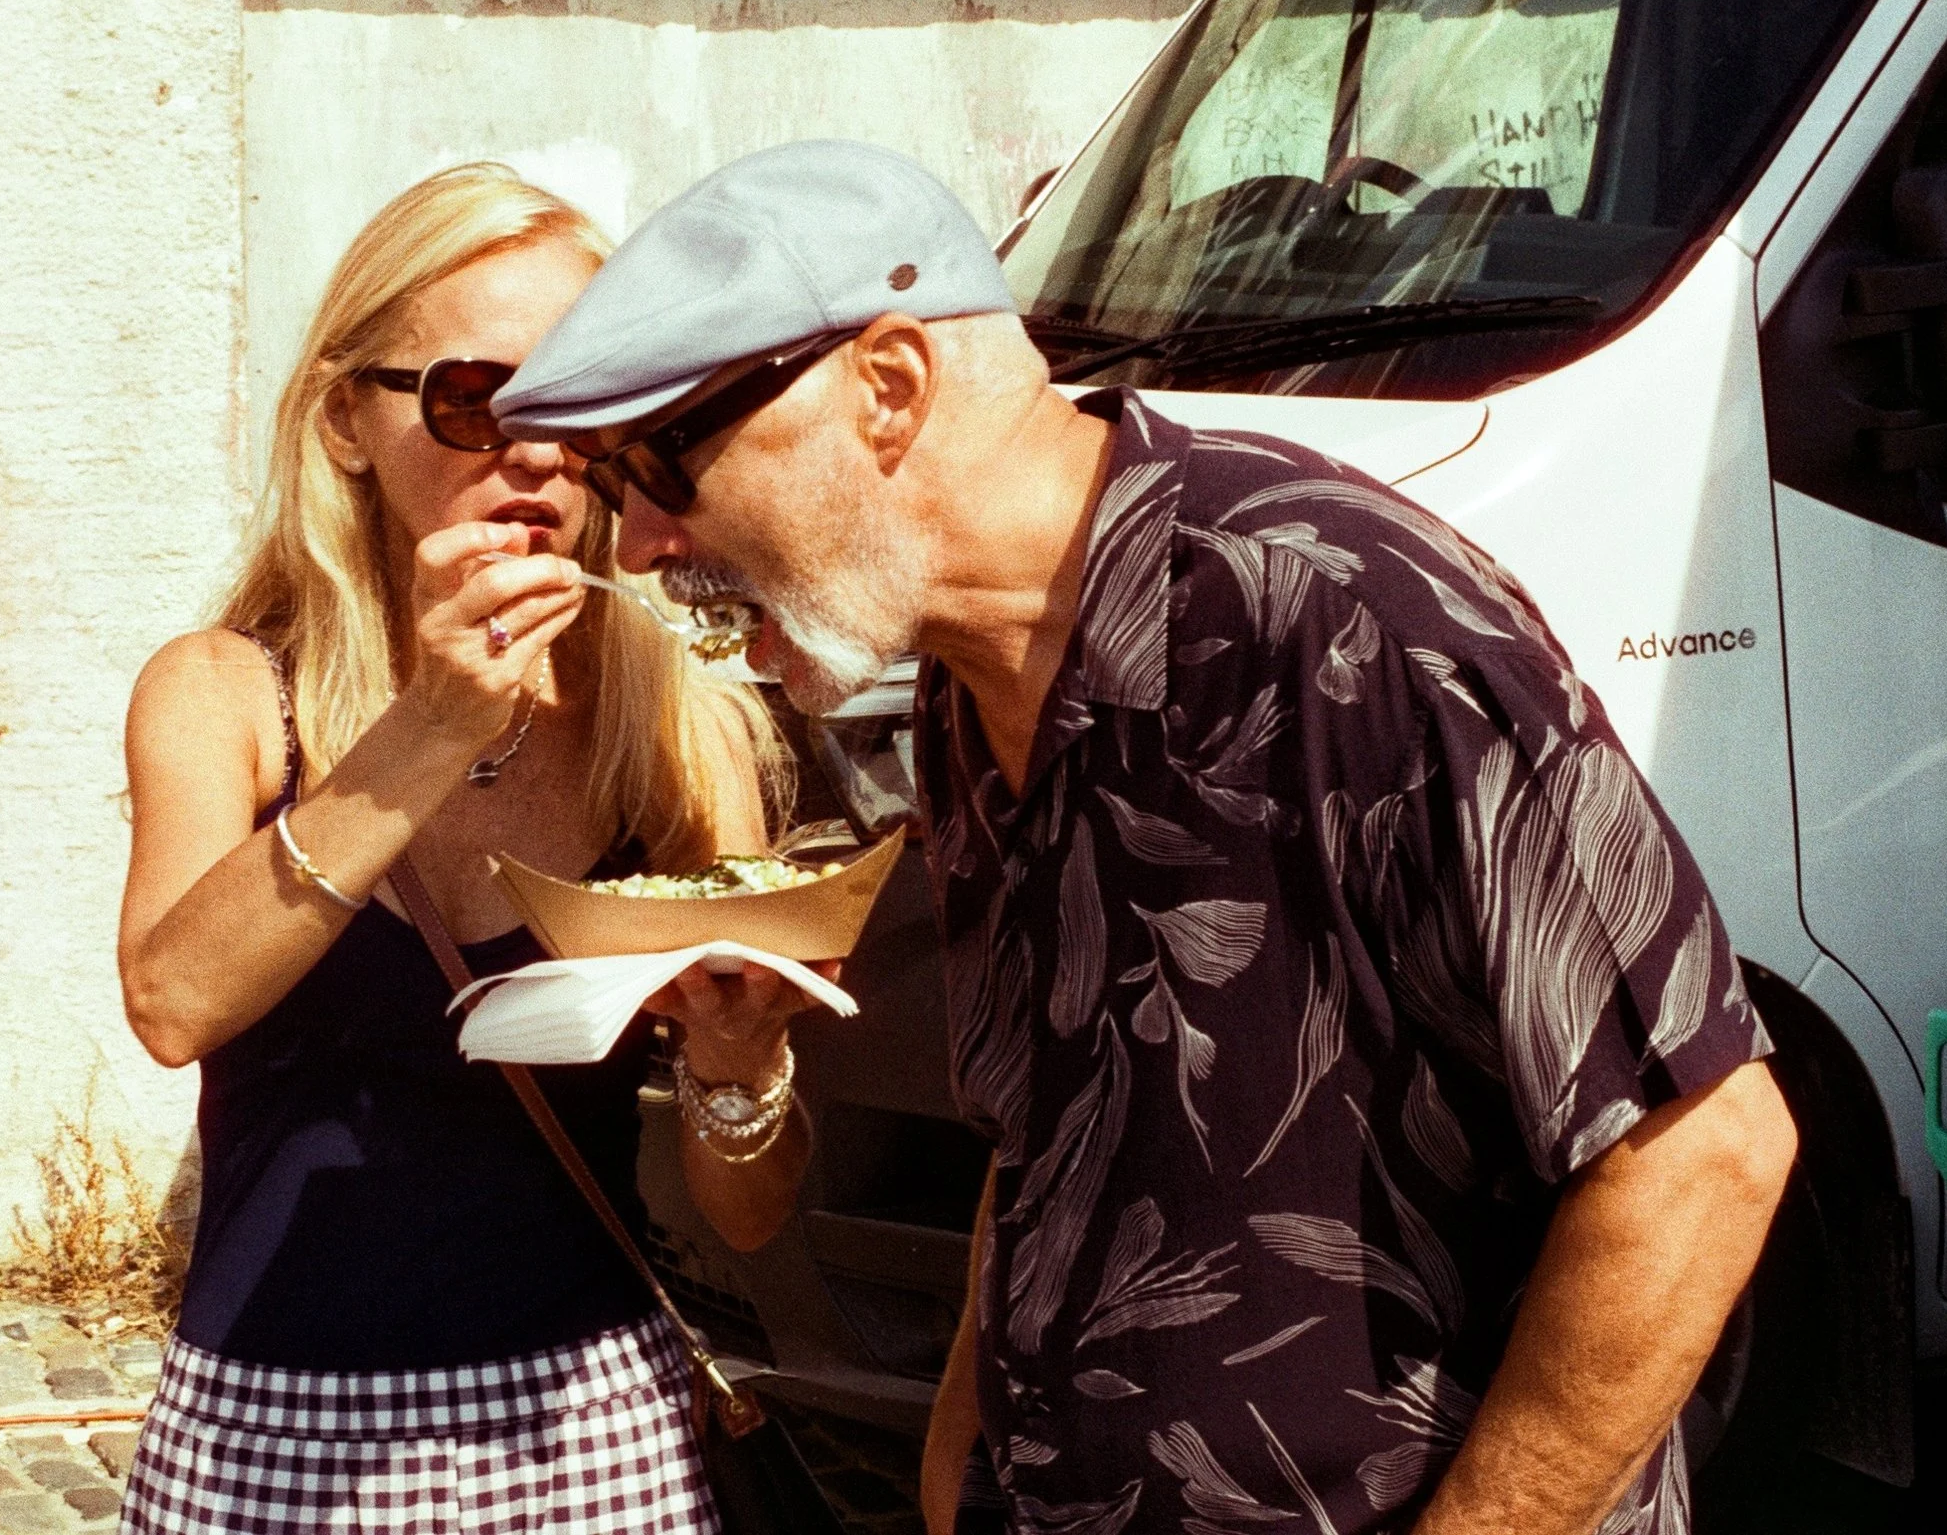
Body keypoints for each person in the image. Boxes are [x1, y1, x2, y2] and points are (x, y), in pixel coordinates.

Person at [489, 140, 1801, 1535]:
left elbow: (1703, 1151)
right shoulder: (961, 691)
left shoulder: (1346, 621)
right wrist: (957, 1471)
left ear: (887, 388)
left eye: (660, 466)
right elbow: (1045, 1143)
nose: (631, 542)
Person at [114, 164, 814, 1535]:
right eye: (475, 397)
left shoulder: (674, 720)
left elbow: (751, 1218)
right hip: (279, 1431)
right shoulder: (225, 694)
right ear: (346, 423)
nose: (538, 450)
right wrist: (427, 728)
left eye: (585, 400)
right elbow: (171, 1001)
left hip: (591, 1425)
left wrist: (742, 1067)